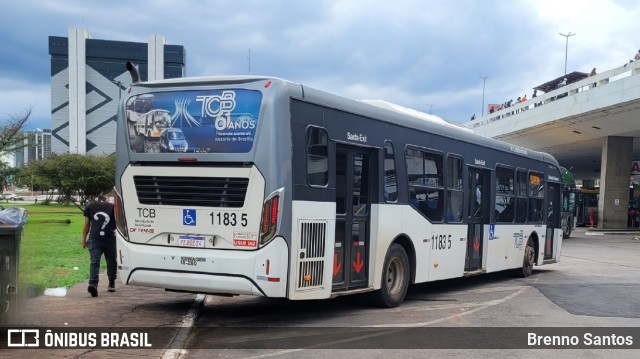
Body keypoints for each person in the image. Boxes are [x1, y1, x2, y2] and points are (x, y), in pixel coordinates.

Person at [82, 194, 117, 297]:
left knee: (95, 262)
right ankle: (109, 283)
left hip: (95, 239)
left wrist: (84, 239)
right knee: (111, 261)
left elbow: (86, 225)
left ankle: (94, 284)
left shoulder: (90, 206)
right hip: (109, 239)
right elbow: (118, 223)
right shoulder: (112, 207)